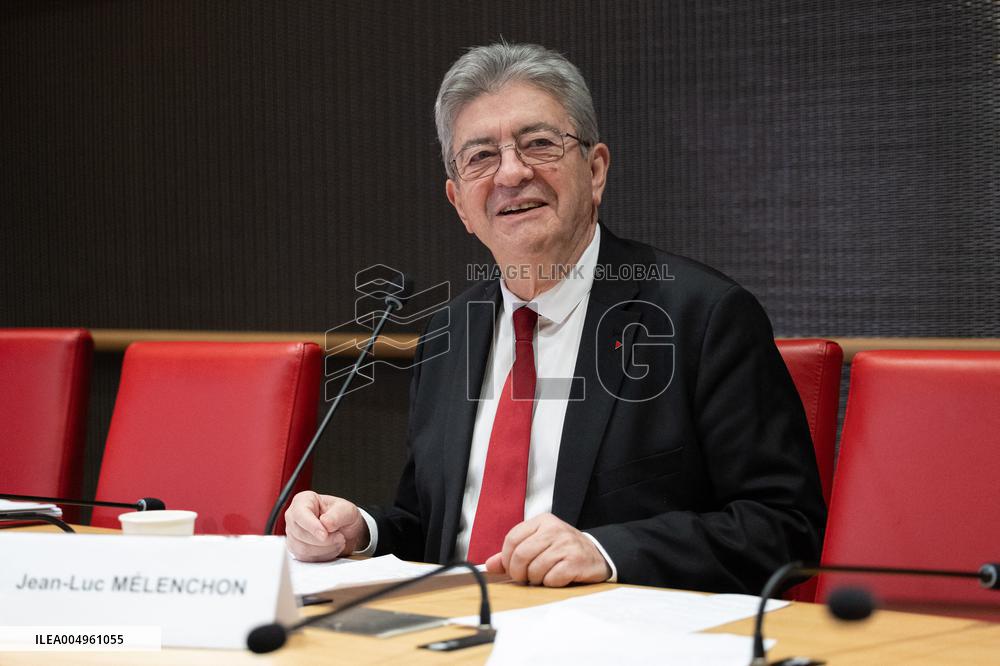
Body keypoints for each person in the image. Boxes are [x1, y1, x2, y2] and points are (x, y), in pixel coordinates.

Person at [284, 42, 826, 593]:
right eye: (481, 157)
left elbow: (784, 527)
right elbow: (438, 526)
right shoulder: (449, 332)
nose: (511, 174)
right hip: (451, 635)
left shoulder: (701, 317)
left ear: (595, 171)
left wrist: (606, 552)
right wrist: (364, 530)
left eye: (538, 144)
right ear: (459, 204)